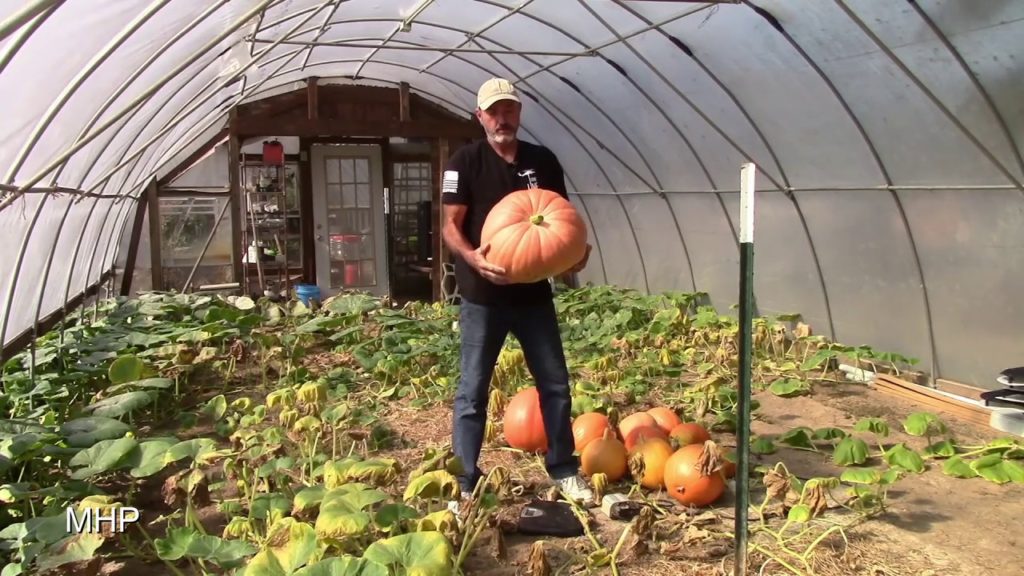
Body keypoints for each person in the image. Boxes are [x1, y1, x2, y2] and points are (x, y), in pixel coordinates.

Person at [441, 77, 595, 511]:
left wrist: (572, 257)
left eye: (508, 109)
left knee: (555, 384)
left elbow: (560, 222)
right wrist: (472, 259)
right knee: (472, 391)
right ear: (480, 117)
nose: (501, 118)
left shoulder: (542, 161)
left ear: (519, 112)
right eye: (493, 111)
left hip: (532, 297)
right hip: (482, 297)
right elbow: (450, 225)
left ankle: (563, 469)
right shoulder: (465, 161)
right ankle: (465, 481)